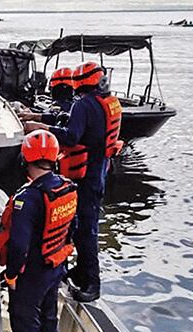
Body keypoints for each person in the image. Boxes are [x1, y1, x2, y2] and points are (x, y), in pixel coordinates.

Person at [0, 130, 78, 332]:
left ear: (25, 159)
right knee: (48, 320)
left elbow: (19, 244)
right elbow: (71, 230)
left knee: (24, 324)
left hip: (32, 272)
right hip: (55, 266)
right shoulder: (66, 188)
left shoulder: (27, 198)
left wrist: (12, 274)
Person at [27, 61, 122, 303]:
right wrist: (40, 116)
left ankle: (92, 282)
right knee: (82, 225)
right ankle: (80, 270)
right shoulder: (109, 102)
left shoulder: (84, 104)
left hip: (86, 175)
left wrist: (41, 127)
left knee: (84, 228)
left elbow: (71, 137)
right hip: (100, 169)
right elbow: (75, 122)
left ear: (79, 83)